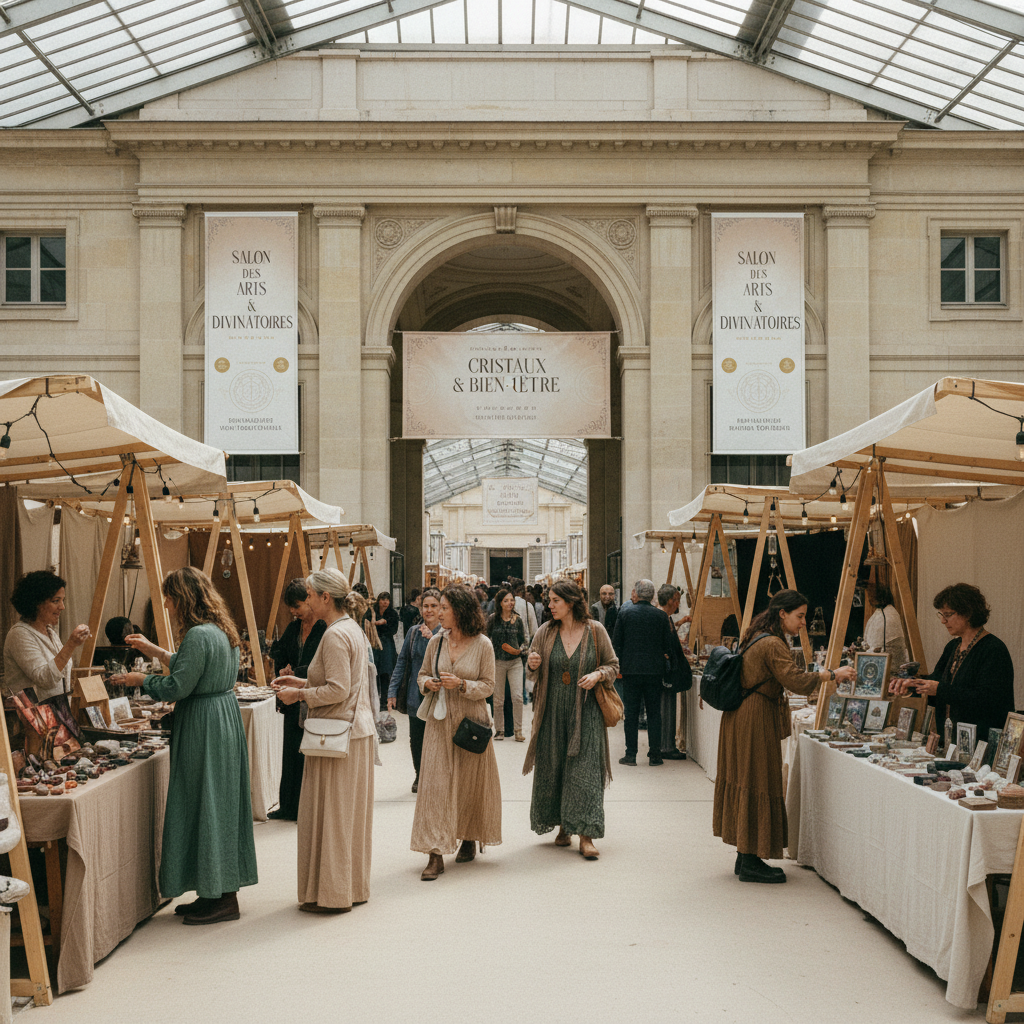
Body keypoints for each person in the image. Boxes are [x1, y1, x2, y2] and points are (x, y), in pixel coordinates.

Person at [114, 567, 257, 924]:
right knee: (217, 803)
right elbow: (194, 666)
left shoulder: (197, 634)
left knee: (204, 802)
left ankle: (223, 898)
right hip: (221, 718)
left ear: (183, 598)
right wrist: (155, 651)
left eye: (168, 597)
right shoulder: (220, 630)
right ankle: (214, 890)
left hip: (203, 724)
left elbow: (178, 685)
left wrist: (141, 679)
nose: (165, 604)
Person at [714, 589, 855, 884]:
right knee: (758, 778)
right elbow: (796, 681)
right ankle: (750, 861)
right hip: (754, 717)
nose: (803, 622)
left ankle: (746, 854)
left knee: (747, 777)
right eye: (800, 616)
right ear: (782, 614)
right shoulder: (772, 643)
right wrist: (831, 674)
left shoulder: (757, 635)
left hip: (742, 714)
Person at [273, 569, 375, 913]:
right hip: (352, 732)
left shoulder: (334, 634)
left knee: (332, 816)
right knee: (345, 817)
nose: (307, 601)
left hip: (336, 736)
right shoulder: (350, 628)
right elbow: (340, 682)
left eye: (310, 595)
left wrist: (299, 695)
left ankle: (333, 894)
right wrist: (300, 682)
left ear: (325, 597)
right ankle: (349, 888)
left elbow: (338, 689)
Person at [523, 579, 619, 860]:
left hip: (586, 711)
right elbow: (531, 670)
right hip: (551, 711)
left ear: (571, 602)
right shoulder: (545, 631)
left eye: (555, 600)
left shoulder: (595, 630)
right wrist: (532, 664)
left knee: (585, 771)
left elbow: (613, 665)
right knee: (554, 768)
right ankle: (564, 824)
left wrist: (598, 674)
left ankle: (586, 835)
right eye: (549, 600)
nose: (550, 605)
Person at [411, 584, 501, 881]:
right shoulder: (436, 641)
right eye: (438, 607)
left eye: (444, 608)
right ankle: (435, 853)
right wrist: (428, 684)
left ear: (460, 611)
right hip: (439, 722)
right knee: (435, 785)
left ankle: (468, 836)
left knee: (468, 783)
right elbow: (422, 674)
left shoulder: (483, 644)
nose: (438, 612)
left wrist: (462, 685)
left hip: (470, 723)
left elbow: (489, 686)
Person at [893, 582, 1013, 743]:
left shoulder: (993, 650)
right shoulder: (953, 646)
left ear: (968, 613)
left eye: (948, 615)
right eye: (941, 615)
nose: (943, 621)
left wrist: (939, 689)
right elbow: (936, 681)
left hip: (980, 741)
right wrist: (911, 685)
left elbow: (988, 700)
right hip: (950, 740)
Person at [268, 578, 327, 821]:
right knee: (290, 752)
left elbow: (322, 667)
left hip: (314, 697)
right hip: (292, 699)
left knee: (309, 753)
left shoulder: (324, 628)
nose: (293, 611)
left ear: (309, 601)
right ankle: (288, 806)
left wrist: (297, 673)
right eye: (291, 607)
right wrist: (283, 669)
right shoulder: (293, 628)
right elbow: (280, 653)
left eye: (297, 605)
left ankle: (307, 808)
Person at [612, 579, 676, 766]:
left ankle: (630, 754)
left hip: (631, 670)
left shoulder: (625, 614)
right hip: (654, 671)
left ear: (637, 593)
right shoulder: (661, 616)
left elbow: (616, 643)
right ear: (652, 595)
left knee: (631, 713)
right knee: (654, 713)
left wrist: (620, 665)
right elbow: (667, 645)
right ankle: (655, 755)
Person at [4, 571, 91, 708]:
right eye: (56, 601)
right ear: (36, 603)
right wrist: (71, 644)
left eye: (62, 600)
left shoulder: (50, 632)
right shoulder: (19, 634)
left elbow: (61, 674)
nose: (62, 607)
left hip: (57, 713)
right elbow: (45, 679)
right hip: (33, 717)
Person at [388, 587, 442, 792]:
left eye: (433, 606)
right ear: (420, 608)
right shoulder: (413, 632)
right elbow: (402, 662)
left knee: (437, 738)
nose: (429, 610)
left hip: (438, 694)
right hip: (415, 694)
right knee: (416, 738)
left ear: (441, 608)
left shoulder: (446, 633)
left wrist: (432, 639)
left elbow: (445, 661)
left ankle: (435, 776)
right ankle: (420, 775)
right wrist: (392, 691)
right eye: (425, 606)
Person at [487, 588, 527, 742]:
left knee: (517, 696)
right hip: (497, 662)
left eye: (512, 600)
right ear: (500, 603)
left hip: (515, 662)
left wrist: (519, 650)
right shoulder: (493, 619)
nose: (510, 603)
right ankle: (499, 730)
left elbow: (524, 640)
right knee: (498, 699)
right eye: (506, 600)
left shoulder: (518, 620)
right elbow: (486, 638)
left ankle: (518, 730)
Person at [656, 584, 687, 760]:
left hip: (666, 670)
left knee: (666, 707)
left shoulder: (665, 617)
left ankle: (666, 745)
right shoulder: (662, 617)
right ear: (669, 601)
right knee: (666, 708)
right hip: (665, 673)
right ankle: (666, 747)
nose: (678, 604)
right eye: (677, 600)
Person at [863, 579, 908, 669]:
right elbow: (868, 643)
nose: (869, 598)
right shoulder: (880, 612)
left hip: (889, 667)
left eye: (871, 595)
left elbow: (877, 648)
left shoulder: (888, 615)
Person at [367, 592, 398, 710]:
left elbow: (394, 630)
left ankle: (384, 700)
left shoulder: (392, 613)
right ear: (378, 600)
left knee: (385, 672)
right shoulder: (372, 612)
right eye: (383, 599)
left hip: (387, 644)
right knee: (374, 672)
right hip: (374, 643)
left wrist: (384, 623)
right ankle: (374, 699)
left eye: (387, 600)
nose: (385, 602)